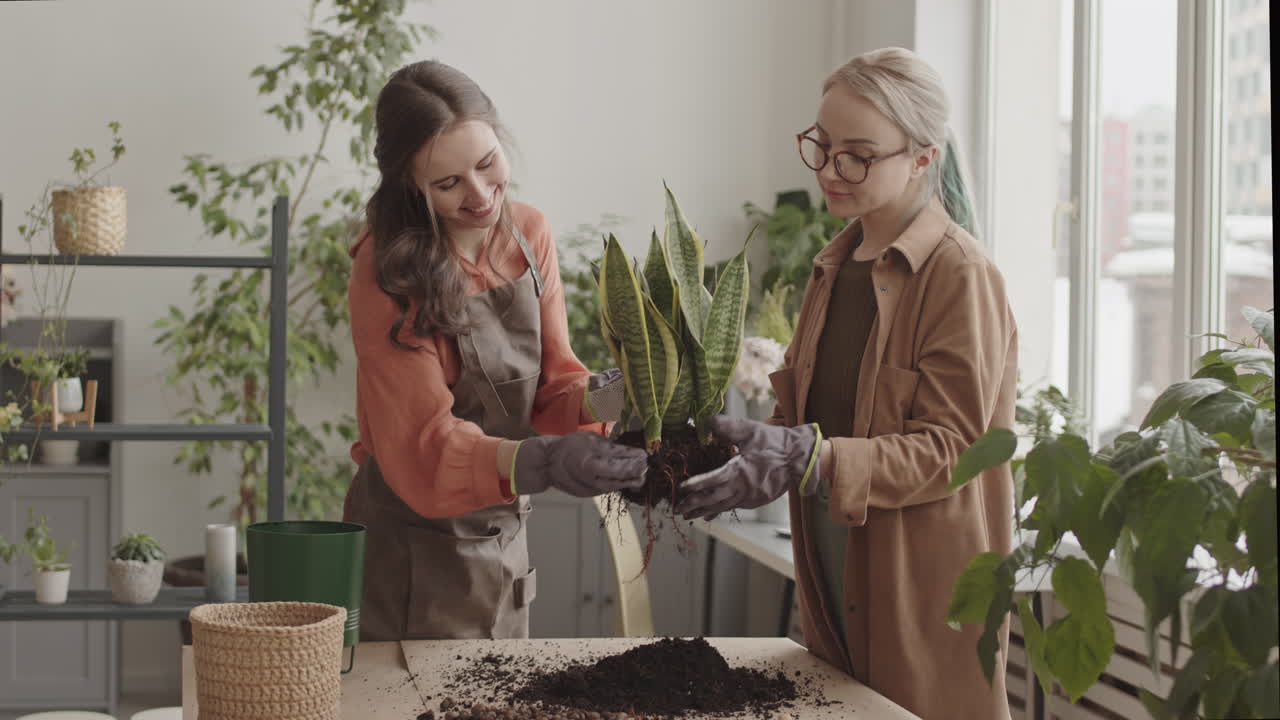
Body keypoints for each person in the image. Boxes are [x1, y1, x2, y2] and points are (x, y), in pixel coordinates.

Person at [676, 47, 1017, 719]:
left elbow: (953, 449)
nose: (831, 170)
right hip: (833, 591)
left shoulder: (959, 275)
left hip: (920, 604)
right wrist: (758, 461)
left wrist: (817, 458)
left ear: (923, 157)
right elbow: (809, 415)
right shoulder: (835, 265)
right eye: (822, 145)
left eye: (857, 154)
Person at [343, 60, 647, 641]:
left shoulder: (527, 234)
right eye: (448, 183)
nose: (480, 196)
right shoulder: (384, 269)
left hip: (504, 536)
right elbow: (422, 444)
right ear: (410, 182)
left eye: (487, 165)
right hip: (413, 548)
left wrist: (627, 396)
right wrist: (543, 462)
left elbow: (555, 388)